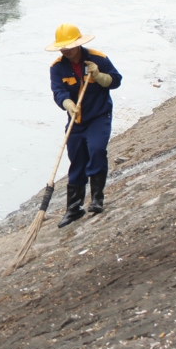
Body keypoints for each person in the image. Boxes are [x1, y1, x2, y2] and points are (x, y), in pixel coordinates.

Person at [46, 23, 122, 228]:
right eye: (63, 47)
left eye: (69, 46)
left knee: (96, 150)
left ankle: (97, 199)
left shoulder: (98, 59)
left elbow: (116, 81)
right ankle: (74, 208)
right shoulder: (57, 67)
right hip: (76, 120)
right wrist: (67, 103)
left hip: (99, 115)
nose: (66, 50)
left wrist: (98, 76)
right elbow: (58, 91)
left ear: (78, 44)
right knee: (77, 160)